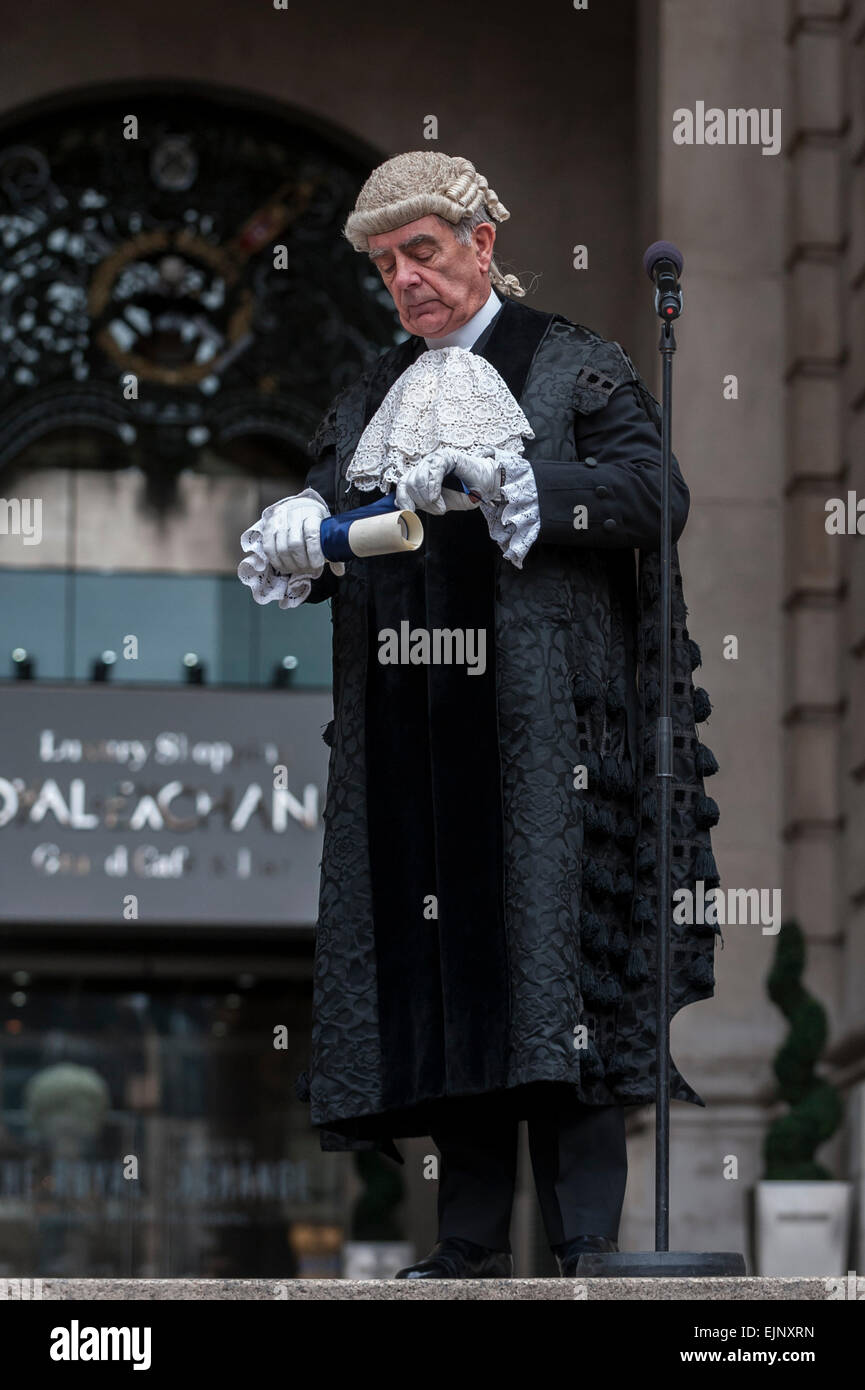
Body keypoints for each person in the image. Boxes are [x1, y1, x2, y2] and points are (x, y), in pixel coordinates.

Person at [238, 151, 722, 1279]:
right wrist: (302, 526)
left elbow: (658, 497)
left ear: (481, 245)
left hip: (549, 732)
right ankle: (461, 1245)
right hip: (414, 737)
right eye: (384, 263)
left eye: (424, 252)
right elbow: (330, 523)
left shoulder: (572, 367)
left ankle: (586, 1241)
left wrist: (526, 487)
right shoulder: (367, 392)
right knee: (443, 967)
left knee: (560, 973)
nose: (406, 279)